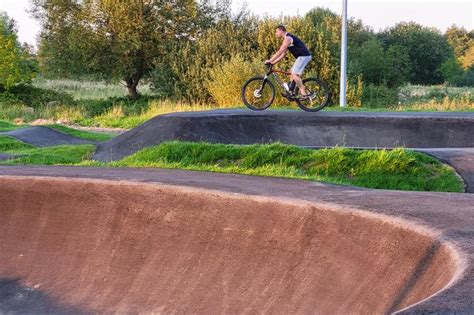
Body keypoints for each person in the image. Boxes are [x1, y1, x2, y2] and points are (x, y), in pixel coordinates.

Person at [265, 25, 312, 98]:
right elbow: (282, 55)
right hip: (301, 57)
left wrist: (270, 60)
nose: (276, 33)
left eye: (276, 31)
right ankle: (290, 91)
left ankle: (303, 93)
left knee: (294, 74)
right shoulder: (286, 39)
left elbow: (280, 51)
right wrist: (273, 63)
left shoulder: (288, 38)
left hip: (304, 56)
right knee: (291, 72)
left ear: (281, 31)